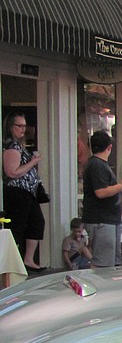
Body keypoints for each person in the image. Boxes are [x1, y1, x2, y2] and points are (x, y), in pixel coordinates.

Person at [2, 113, 46, 270]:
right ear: (10, 127)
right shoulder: (11, 147)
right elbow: (12, 172)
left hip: (29, 192)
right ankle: (16, 262)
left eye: (24, 126)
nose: (22, 129)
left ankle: (28, 259)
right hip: (17, 192)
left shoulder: (19, 146)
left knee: (36, 223)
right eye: (19, 126)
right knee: (18, 226)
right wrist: (32, 162)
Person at [82, 130, 122, 268]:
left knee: (112, 261)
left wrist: (121, 191)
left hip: (108, 219)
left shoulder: (98, 164)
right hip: (101, 220)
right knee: (102, 263)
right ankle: (100, 286)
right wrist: (121, 185)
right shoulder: (97, 165)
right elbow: (101, 192)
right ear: (109, 147)